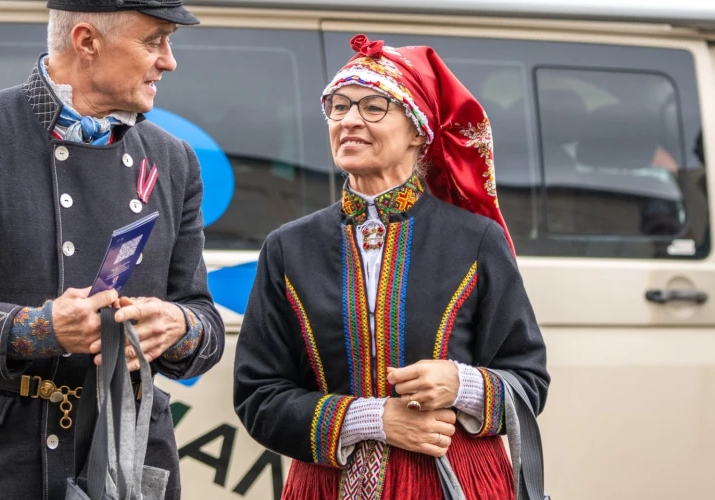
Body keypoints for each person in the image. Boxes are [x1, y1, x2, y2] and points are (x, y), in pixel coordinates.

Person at [0, 1, 224, 499]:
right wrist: (38, 330)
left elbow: (204, 320)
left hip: (122, 461)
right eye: (153, 40)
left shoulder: (174, 159)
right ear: (86, 41)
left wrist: (179, 326)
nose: (168, 60)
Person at [233, 34, 549, 500]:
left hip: (454, 482)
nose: (349, 121)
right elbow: (258, 396)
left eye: (374, 107)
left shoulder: (476, 239)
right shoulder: (288, 247)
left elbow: (529, 380)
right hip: (329, 486)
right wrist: (374, 419)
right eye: (338, 107)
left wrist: (461, 384)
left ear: (419, 129)